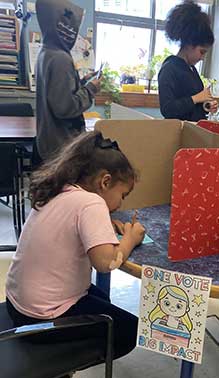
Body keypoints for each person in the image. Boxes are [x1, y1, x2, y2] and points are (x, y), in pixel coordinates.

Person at [6, 131, 145, 366]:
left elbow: (68, 226)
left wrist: (104, 226)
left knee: (100, 297)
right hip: (41, 317)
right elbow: (106, 263)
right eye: (123, 195)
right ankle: (63, 364)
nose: (121, 203)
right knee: (130, 330)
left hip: (17, 303)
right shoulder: (92, 203)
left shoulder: (60, 189)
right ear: (105, 181)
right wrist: (130, 239)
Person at [35, 0, 102, 161]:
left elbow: (57, 94)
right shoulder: (60, 58)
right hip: (63, 146)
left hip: (49, 142)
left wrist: (81, 82)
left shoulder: (46, 52)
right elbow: (66, 108)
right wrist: (91, 89)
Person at [158, 0, 218, 121]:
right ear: (190, 45)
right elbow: (167, 109)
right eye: (202, 52)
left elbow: (194, 107)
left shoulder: (192, 70)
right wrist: (196, 98)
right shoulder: (169, 69)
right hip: (177, 134)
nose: (202, 58)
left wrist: (207, 106)